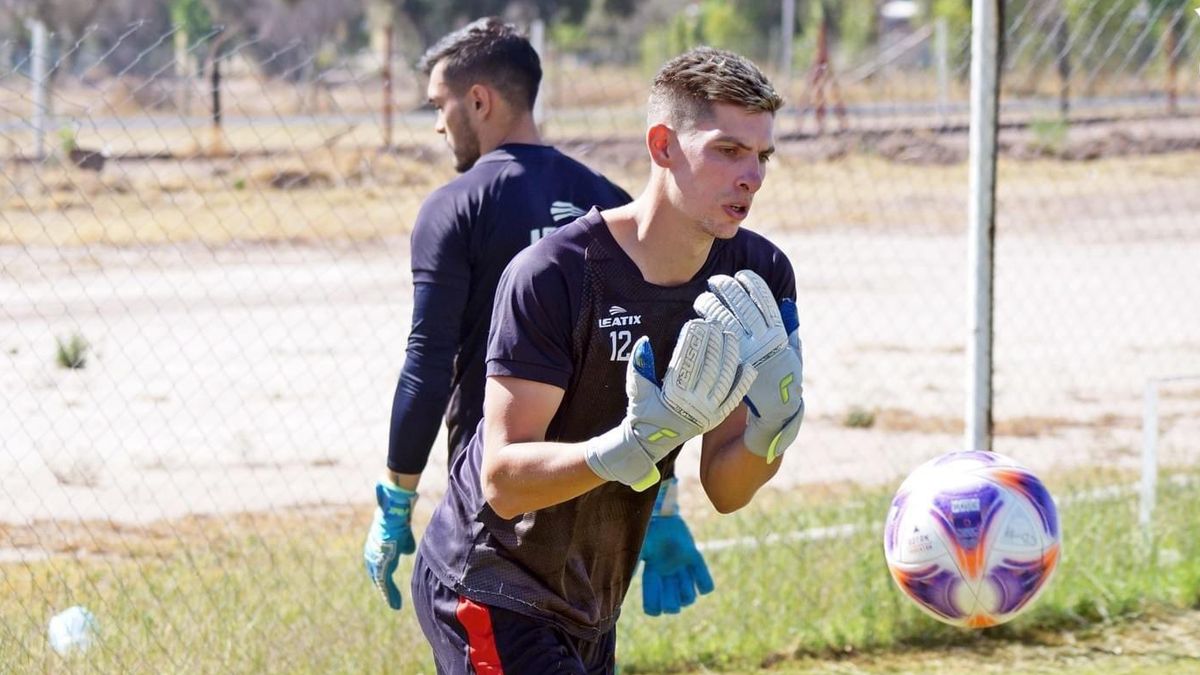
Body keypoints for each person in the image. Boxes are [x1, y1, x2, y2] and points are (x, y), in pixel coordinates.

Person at [410, 46, 805, 673]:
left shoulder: (756, 273)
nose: (751, 176)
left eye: (761, 156)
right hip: (491, 582)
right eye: (727, 150)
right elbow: (504, 482)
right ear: (662, 145)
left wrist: (771, 428)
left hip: (591, 598)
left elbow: (727, 490)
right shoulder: (555, 274)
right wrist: (626, 446)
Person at [362, 17, 715, 620]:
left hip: (500, 499)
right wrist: (663, 502)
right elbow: (653, 357)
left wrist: (397, 497)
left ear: (479, 100)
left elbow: (428, 359)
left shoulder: (456, 206)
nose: (439, 124)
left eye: (440, 106)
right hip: (598, 501)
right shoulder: (610, 201)